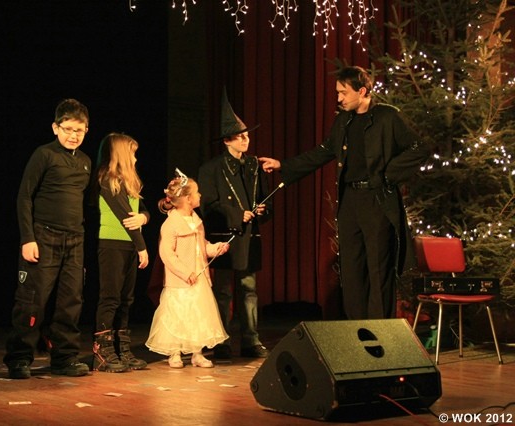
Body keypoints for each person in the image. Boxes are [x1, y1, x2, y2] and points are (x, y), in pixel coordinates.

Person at [259, 66, 430, 320]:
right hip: (350, 201)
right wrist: (284, 165)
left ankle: (379, 331)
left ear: (361, 91)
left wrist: (388, 175)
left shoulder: (386, 117)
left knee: (378, 269)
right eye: (337, 93)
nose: (339, 98)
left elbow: (418, 147)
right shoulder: (344, 121)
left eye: (343, 92)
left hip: (377, 200)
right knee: (351, 268)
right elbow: (324, 151)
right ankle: (356, 330)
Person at [4, 98, 92, 379]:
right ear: (55, 128)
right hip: (43, 237)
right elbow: (24, 197)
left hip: (75, 240)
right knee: (32, 300)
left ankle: (64, 358)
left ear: (86, 130)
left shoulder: (86, 162)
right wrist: (28, 238)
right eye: (67, 129)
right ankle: (20, 358)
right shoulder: (44, 155)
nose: (73, 135)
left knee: (71, 301)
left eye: (79, 130)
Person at [197, 90, 272, 360]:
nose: (246, 139)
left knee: (249, 290)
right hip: (226, 238)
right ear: (227, 140)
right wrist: (237, 214)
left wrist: (262, 210)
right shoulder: (211, 169)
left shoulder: (254, 166)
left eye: (247, 135)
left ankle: (251, 339)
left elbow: (266, 200)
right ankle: (221, 340)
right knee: (223, 291)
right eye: (240, 136)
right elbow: (208, 206)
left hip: (249, 237)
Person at [146, 170, 230, 368]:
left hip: (199, 279)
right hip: (179, 282)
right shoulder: (171, 224)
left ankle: (197, 353)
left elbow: (202, 246)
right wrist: (185, 273)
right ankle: (174, 352)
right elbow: (167, 254)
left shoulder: (196, 221)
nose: (200, 195)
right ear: (187, 199)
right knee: (178, 315)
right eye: (196, 192)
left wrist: (215, 248)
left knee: (197, 316)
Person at [92, 132, 150, 373]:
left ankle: (121, 349)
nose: (135, 159)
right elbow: (126, 218)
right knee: (111, 298)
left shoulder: (129, 184)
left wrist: (144, 218)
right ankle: (102, 352)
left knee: (126, 299)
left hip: (128, 246)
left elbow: (143, 211)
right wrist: (142, 247)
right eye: (132, 154)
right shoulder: (108, 181)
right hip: (112, 245)